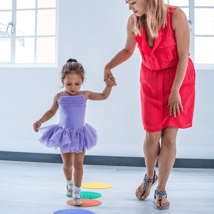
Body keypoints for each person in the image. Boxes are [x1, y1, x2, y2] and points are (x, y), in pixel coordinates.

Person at [104, 0, 195, 209]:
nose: (130, 7)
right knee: (152, 134)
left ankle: (161, 188)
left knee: (169, 137)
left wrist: (175, 91)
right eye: (127, 2)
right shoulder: (133, 21)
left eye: (133, 2)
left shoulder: (176, 16)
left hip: (178, 81)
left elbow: (183, 57)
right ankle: (149, 175)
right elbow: (128, 50)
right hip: (150, 81)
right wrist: (108, 66)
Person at [33, 58, 116, 206]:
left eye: (77, 84)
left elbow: (103, 96)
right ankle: (69, 184)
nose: (73, 87)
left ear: (82, 81)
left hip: (80, 135)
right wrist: (40, 121)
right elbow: (52, 111)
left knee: (78, 164)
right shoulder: (59, 97)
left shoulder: (85, 95)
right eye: (68, 84)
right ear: (62, 81)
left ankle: (77, 192)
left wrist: (108, 86)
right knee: (67, 164)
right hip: (64, 135)